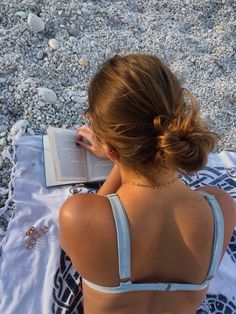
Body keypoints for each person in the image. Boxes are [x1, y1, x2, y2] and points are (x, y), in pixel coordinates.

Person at [59, 54, 236, 314]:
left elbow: (69, 246)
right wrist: (120, 153)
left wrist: (119, 161)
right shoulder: (221, 209)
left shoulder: (79, 215)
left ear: (112, 152)